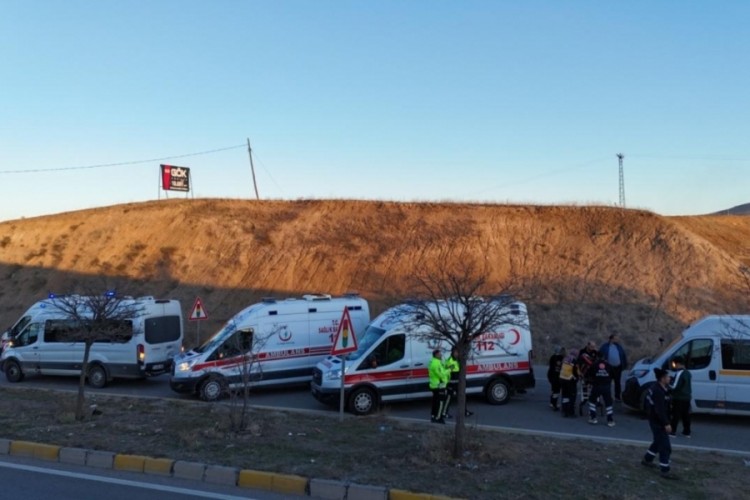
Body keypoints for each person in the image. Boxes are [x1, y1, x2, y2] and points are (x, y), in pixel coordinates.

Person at [642, 368, 677, 479]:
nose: (669, 378)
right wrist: (666, 423)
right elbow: (660, 409)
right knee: (665, 446)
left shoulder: (658, 388)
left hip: (655, 420)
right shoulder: (658, 391)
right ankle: (665, 470)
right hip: (658, 421)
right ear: (662, 379)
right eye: (667, 377)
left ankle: (647, 459)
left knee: (658, 442)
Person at [443, 347, 473, 419]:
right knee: (448, 398)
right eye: (456, 352)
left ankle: (464, 411)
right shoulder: (449, 361)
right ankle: (444, 413)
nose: (457, 353)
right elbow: (446, 373)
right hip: (451, 383)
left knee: (462, 397)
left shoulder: (459, 360)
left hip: (458, 383)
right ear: (452, 352)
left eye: (458, 352)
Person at [599, 334, 628, 401]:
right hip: (609, 368)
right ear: (611, 339)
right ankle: (608, 397)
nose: (617, 340)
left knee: (617, 383)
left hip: (618, 367)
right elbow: (600, 355)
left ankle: (617, 397)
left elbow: (623, 355)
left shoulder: (619, 347)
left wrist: (624, 365)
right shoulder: (605, 346)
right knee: (608, 383)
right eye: (615, 339)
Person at [587, 358, 615, 426]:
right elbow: (613, 375)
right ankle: (610, 420)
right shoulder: (609, 365)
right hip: (606, 387)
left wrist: (591, 381)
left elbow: (589, 374)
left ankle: (593, 418)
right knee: (608, 403)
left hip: (597, 386)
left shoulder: (594, 365)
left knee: (592, 401)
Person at [669, 356, 692, 438]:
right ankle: (687, 432)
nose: (674, 366)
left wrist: (668, 384)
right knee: (686, 415)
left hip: (678, 397)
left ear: (677, 364)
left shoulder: (679, 373)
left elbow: (674, 386)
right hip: (687, 397)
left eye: (674, 364)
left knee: (676, 415)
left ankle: (672, 431)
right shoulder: (688, 373)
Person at [428, 349, 448, 424]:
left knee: (435, 401)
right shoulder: (436, 364)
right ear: (436, 355)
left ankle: (433, 416)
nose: (441, 355)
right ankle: (438, 418)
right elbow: (441, 374)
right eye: (439, 354)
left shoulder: (432, 361)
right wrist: (449, 370)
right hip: (439, 385)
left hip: (434, 384)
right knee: (440, 402)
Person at [559, 348, 579, 417]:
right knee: (572, 396)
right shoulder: (574, 360)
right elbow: (576, 371)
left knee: (565, 395)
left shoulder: (565, 358)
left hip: (562, 378)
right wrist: (577, 378)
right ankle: (571, 412)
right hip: (570, 380)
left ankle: (564, 410)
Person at [547, 346, 565, 411]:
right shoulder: (560, 357)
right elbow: (561, 365)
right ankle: (554, 403)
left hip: (551, 374)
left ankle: (552, 402)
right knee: (556, 390)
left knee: (553, 389)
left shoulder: (552, 357)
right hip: (557, 376)